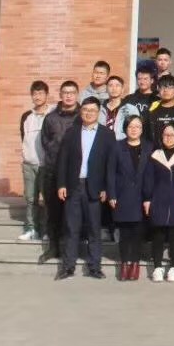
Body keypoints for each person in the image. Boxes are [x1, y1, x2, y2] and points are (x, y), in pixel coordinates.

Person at [55, 97, 114, 280]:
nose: (89, 113)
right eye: (85, 110)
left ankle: (94, 267)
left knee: (94, 229)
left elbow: (110, 165)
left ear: (98, 113)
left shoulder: (106, 135)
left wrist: (106, 188)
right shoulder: (72, 132)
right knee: (71, 228)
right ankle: (68, 266)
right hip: (74, 185)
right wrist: (61, 184)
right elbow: (62, 160)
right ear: (81, 112)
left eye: (92, 110)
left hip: (94, 188)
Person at [38, 81, 80, 263]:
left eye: (72, 92)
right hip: (53, 171)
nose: (68, 96)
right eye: (65, 92)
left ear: (77, 94)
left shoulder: (83, 116)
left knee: (73, 214)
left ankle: (71, 249)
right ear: (61, 95)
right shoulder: (50, 118)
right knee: (53, 212)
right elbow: (45, 141)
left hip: (76, 173)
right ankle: (53, 248)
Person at [107, 115, 152, 281]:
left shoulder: (149, 147)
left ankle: (135, 263)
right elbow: (110, 172)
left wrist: (149, 197)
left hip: (141, 196)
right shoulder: (117, 147)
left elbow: (151, 174)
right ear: (125, 128)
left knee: (138, 233)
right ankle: (125, 263)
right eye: (131, 126)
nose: (134, 129)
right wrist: (112, 194)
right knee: (125, 233)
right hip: (122, 195)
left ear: (142, 129)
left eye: (137, 126)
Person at [143, 123, 174, 283]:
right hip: (158, 199)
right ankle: (157, 267)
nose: (168, 138)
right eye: (165, 135)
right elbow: (148, 179)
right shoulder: (155, 156)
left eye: (172, 135)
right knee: (158, 235)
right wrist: (147, 199)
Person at [19, 80, 51, 241]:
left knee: (47, 199)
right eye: (35, 93)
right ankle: (31, 228)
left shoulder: (52, 114)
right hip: (29, 164)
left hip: (46, 165)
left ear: (46, 95)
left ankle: (46, 231)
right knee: (31, 199)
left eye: (40, 93)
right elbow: (23, 138)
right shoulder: (26, 116)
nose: (37, 97)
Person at [144, 75, 174, 145]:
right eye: (162, 87)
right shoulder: (151, 110)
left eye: (169, 87)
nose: (165, 90)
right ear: (158, 89)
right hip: (155, 150)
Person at [116, 66, 156, 138]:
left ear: (152, 80)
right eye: (139, 79)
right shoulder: (129, 99)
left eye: (145, 79)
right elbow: (121, 119)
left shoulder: (156, 99)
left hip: (150, 138)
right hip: (131, 137)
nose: (142, 82)